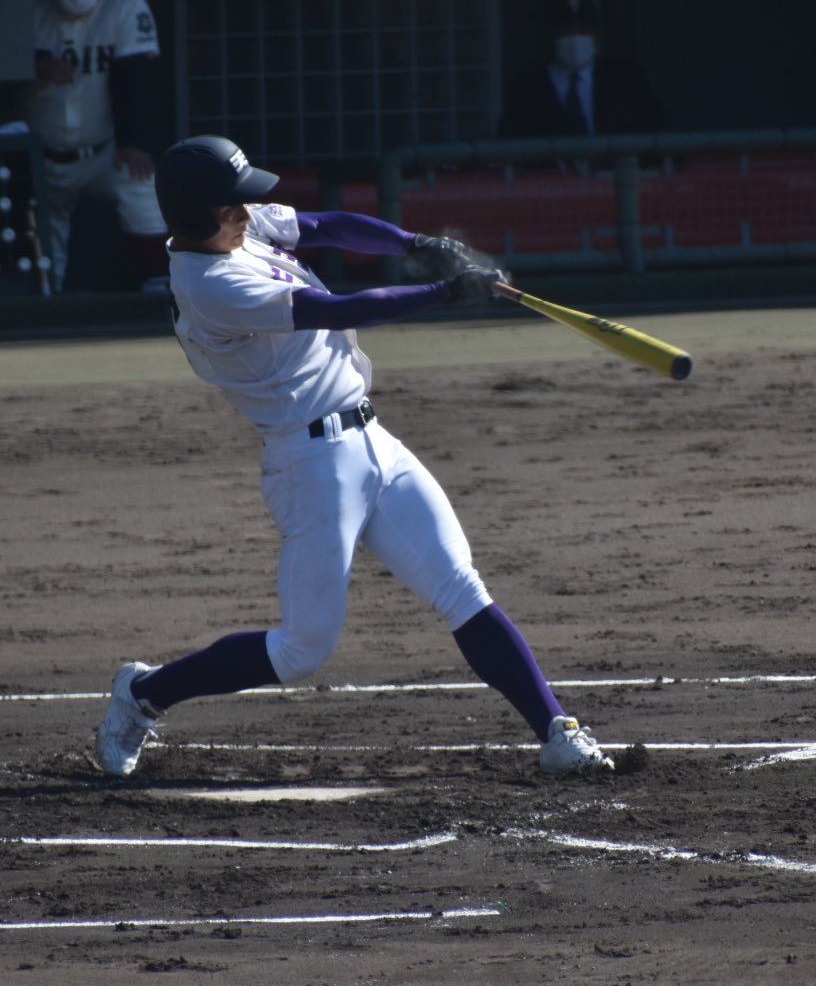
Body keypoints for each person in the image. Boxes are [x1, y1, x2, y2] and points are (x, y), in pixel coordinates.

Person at [94, 133, 614, 779]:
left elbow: (328, 226)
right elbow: (334, 307)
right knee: (302, 650)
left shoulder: (237, 230)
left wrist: (416, 245)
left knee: (461, 589)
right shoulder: (210, 285)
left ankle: (556, 732)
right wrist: (443, 294)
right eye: (234, 204)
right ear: (197, 214)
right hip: (309, 467)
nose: (248, 212)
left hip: (374, 441)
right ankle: (144, 693)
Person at [22, 0, 167, 292]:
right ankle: (46, 309)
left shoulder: (123, 0)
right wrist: (34, 66)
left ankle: (160, 284)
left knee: (140, 181)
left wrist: (133, 141)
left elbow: (134, 74)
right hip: (41, 158)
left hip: (103, 151)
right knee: (45, 249)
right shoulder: (29, 7)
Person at [497, 0, 665, 139]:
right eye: (565, 32)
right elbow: (510, 142)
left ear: (597, 36)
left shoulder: (626, 79)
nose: (575, 38)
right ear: (551, 37)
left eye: (584, 31)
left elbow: (655, 131)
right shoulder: (526, 86)